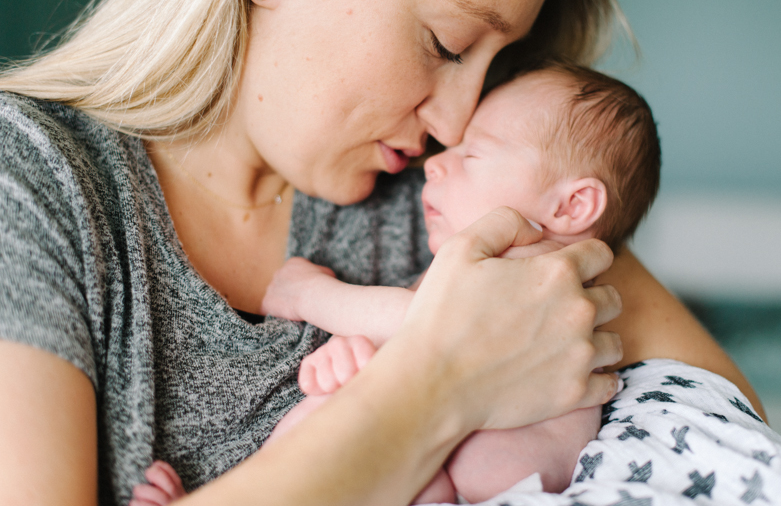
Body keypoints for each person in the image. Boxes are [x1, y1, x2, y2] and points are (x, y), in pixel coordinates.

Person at [0, 0, 775, 505]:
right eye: (446, 43)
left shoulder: (473, 205)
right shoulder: (34, 184)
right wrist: (442, 380)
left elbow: (727, 458)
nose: (455, 123)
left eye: (494, 64)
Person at [132, 62, 661, 505]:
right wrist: (352, 361)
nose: (436, 164)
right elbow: (430, 346)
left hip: (490, 486)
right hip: (449, 477)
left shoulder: (542, 267)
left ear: (573, 205)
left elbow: (426, 325)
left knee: (331, 427)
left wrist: (312, 295)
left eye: (473, 155)